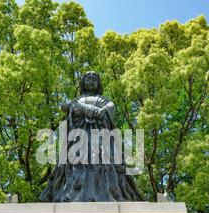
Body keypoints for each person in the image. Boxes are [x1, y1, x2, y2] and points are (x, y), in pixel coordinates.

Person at [40, 71, 143, 202]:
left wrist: (101, 110)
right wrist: (80, 108)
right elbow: (64, 107)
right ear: (83, 82)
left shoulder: (104, 100)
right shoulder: (78, 100)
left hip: (101, 136)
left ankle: (107, 192)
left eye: (94, 79)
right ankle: (71, 193)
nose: (91, 81)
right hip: (79, 137)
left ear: (98, 83)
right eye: (88, 79)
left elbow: (110, 107)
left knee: (106, 161)